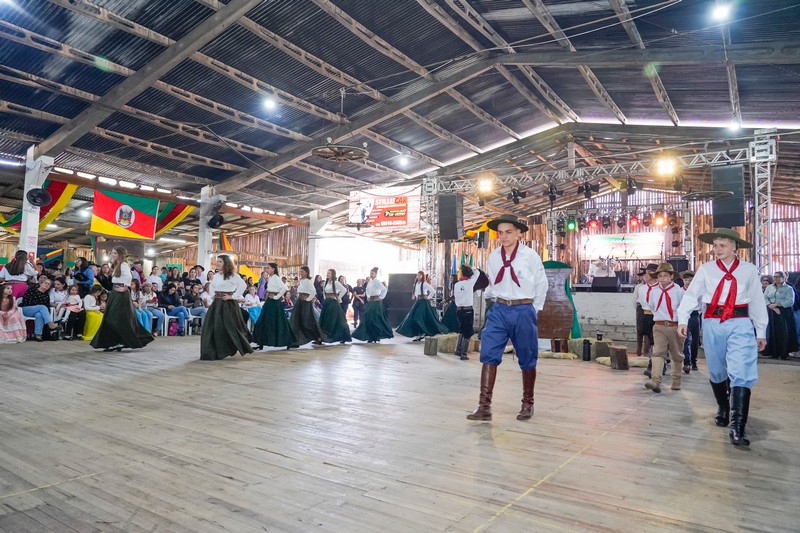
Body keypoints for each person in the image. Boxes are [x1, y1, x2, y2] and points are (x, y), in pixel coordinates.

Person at [677, 228, 767, 447]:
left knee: (741, 371)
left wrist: (761, 330)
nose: (717, 249)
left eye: (723, 245)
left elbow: (756, 300)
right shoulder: (706, 270)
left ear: (735, 247)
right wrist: (683, 318)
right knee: (717, 370)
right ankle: (724, 406)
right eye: (715, 245)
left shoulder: (748, 270)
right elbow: (692, 295)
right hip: (713, 322)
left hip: (740, 322)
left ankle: (738, 428)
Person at [466, 214, 547, 422]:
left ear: (518, 233)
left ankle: (527, 403)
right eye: (500, 233)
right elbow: (494, 283)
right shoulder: (494, 257)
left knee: (527, 356)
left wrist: (533, 309)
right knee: (488, 353)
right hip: (500, 309)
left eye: (508, 232)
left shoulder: (530, 256)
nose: (504, 237)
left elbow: (541, 284)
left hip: (524, 309)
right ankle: (484, 406)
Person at [90, 246, 154, 352]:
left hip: (121, 294)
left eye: (115, 253)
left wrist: (125, 287)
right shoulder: (117, 265)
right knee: (113, 318)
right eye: (112, 253)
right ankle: (115, 341)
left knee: (117, 318)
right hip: (115, 293)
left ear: (120, 254)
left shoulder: (123, 265)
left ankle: (120, 341)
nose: (112, 255)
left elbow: (129, 277)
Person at [200, 254, 253, 360]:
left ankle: (227, 348)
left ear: (226, 263)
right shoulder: (216, 276)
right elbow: (212, 286)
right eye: (217, 261)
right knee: (211, 326)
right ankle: (212, 351)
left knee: (227, 326)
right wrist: (213, 295)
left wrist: (232, 296)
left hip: (228, 304)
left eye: (220, 261)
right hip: (217, 303)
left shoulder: (233, 275)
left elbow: (243, 285)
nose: (218, 263)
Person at [643, 263, 684, 393]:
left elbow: (683, 309)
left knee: (676, 354)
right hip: (659, 325)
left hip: (675, 325)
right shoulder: (654, 291)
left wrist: (682, 325)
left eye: (665, 275)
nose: (662, 278)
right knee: (658, 352)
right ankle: (655, 381)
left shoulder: (678, 291)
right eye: (659, 276)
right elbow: (651, 306)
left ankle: (676, 380)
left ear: (671, 276)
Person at [252, 263, 296, 350]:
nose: (267, 270)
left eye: (268, 268)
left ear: (273, 269)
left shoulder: (276, 278)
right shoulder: (271, 278)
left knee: (279, 321)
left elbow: (284, 288)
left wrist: (276, 297)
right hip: (269, 301)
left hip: (275, 302)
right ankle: (261, 342)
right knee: (263, 320)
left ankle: (288, 341)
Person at [396, 270, 448, 341]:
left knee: (418, 318)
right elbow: (416, 292)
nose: (418, 276)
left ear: (423, 276)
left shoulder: (424, 284)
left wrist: (428, 297)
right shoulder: (416, 284)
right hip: (418, 302)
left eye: (420, 275)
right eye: (417, 275)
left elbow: (433, 291)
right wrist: (415, 296)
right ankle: (420, 333)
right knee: (413, 317)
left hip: (423, 302)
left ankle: (422, 333)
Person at [352, 267, 394, 343]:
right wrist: (368, 297)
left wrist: (381, 297)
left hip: (376, 303)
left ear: (375, 274)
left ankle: (376, 336)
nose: (371, 275)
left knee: (375, 319)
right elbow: (367, 291)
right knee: (369, 318)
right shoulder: (370, 282)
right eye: (370, 273)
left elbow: (384, 289)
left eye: (372, 273)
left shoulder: (377, 281)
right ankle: (371, 336)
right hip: (371, 302)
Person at [289, 266, 325, 345]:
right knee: (296, 320)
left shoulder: (308, 281)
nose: (301, 273)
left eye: (302, 271)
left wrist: (308, 299)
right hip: (300, 301)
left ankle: (318, 336)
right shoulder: (302, 281)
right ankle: (295, 340)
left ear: (306, 272)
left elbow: (313, 292)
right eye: (300, 271)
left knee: (307, 321)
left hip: (305, 303)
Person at [763, 271, 795, 360]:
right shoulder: (769, 287)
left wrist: (777, 305)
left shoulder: (788, 288)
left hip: (784, 312)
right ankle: (773, 352)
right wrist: (771, 306)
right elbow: (765, 297)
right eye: (775, 276)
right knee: (772, 331)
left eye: (778, 276)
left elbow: (790, 301)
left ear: (783, 278)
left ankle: (783, 353)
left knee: (783, 332)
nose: (776, 278)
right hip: (771, 311)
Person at [452, 265, 481, 360]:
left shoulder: (456, 284)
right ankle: (463, 353)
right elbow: (477, 273)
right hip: (468, 310)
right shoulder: (470, 283)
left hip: (459, 310)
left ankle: (458, 350)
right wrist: (472, 266)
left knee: (461, 330)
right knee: (467, 332)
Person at [318, 269, 352, 344]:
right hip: (327, 302)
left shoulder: (335, 282)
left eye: (329, 273)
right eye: (327, 273)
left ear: (333, 274)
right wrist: (325, 298)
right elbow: (324, 292)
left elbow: (344, 290)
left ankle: (341, 336)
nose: (327, 274)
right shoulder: (327, 282)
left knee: (335, 320)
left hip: (333, 303)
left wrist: (338, 297)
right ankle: (322, 337)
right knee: (324, 319)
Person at [20, 277, 59, 342]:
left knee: (39, 315)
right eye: (45, 283)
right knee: (42, 307)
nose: (47, 285)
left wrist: (39, 308)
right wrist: (38, 307)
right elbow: (26, 302)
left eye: (49, 284)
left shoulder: (46, 296)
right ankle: (50, 324)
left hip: (38, 311)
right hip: (26, 309)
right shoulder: (32, 290)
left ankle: (38, 334)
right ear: (40, 284)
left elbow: (47, 307)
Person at [680, 271, 701, 372]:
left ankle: (694, 361)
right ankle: (687, 362)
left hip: (695, 315)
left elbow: (701, 304)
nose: (688, 282)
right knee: (686, 340)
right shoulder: (680, 291)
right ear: (683, 280)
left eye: (690, 280)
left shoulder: (698, 291)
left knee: (695, 340)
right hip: (684, 316)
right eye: (686, 280)